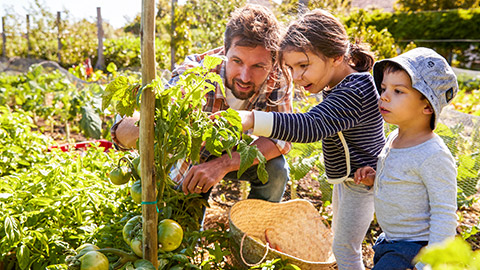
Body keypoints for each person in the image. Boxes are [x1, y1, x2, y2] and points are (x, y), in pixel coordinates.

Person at [234, 9, 385, 270]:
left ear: (337, 57)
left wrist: (250, 119)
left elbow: (310, 126)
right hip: (350, 180)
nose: (297, 76)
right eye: (291, 68)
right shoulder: (342, 86)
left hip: (362, 182)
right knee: (343, 243)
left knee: (344, 249)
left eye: (304, 66)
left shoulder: (355, 91)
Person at [111, 4, 293, 212]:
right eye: (237, 61)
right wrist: (143, 125)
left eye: (258, 66)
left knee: (276, 170)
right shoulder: (196, 75)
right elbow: (129, 129)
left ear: (272, 63)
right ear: (225, 51)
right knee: (183, 227)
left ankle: (253, 230)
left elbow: (281, 137)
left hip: (234, 151)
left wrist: (222, 164)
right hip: (194, 158)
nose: (244, 76)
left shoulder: (279, 76)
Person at [354, 47, 458, 270]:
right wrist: (376, 179)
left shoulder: (433, 155)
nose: (384, 96)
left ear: (427, 105)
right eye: (383, 88)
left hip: (414, 249)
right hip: (389, 241)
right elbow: (403, 180)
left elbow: (444, 213)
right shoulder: (394, 137)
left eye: (398, 91)